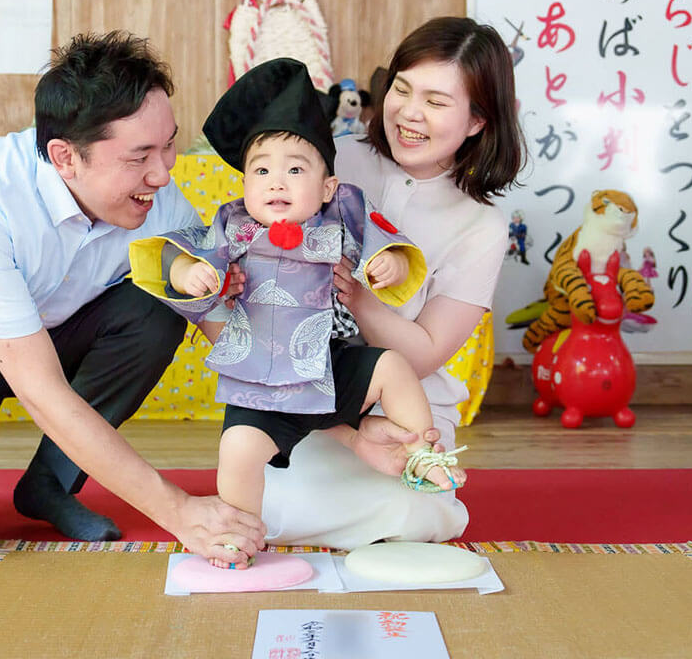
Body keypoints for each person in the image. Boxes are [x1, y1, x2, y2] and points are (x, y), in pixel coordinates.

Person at [0, 32, 265, 566]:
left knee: (166, 298)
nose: (163, 173)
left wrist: (326, 412)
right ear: (64, 156)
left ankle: (48, 484)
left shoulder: (155, 195)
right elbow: (42, 391)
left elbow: (220, 317)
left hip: (54, 329)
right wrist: (180, 513)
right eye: (139, 156)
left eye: (168, 144)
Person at [129, 60, 467, 565]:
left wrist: (389, 265)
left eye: (295, 168)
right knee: (238, 454)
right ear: (244, 183)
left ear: (327, 187)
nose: (276, 182)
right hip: (258, 382)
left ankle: (422, 452)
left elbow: (384, 238)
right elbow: (188, 253)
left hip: (329, 368)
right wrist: (189, 276)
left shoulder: (344, 210)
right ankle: (238, 532)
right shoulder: (233, 224)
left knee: (391, 367)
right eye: (261, 169)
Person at [258, 16, 526, 548]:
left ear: (477, 120)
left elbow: (425, 353)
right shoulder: (333, 159)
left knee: (413, 513)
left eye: (437, 101)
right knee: (272, 503)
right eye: (402, 88)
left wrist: (354, 296)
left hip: (406, 404)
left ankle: (408, 501)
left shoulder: (482, 225)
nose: (410, 113)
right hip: (307, 386)